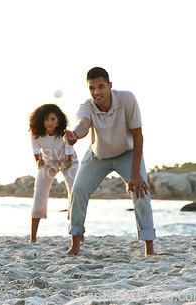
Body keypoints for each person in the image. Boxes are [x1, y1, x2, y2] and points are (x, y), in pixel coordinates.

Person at [63, 67, 156, 256]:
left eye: (101, 87)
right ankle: (75, 245)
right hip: (98, 155)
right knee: (78, 190)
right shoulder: (86, 106)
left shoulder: (127, 99)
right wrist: (74, 136)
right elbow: (82, 125)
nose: (96, 92)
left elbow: (138, 136)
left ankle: (149, 249)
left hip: (127, 153)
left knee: (141, 192)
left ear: (109, 86)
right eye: (92, 88)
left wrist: (136, 174)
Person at [28, 104, 78, 243]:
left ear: (58, 120)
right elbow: (37, 156)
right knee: (39, 193)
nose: (49, 123)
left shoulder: (65, 134)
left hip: (69, 162)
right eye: (46, 119)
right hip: (49, 163)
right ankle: (33, 238)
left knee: (74, 192)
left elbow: (68, 161)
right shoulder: (36, 134)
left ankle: (78, 233)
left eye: (52, 119)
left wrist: (62, 164)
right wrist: (40, 162)